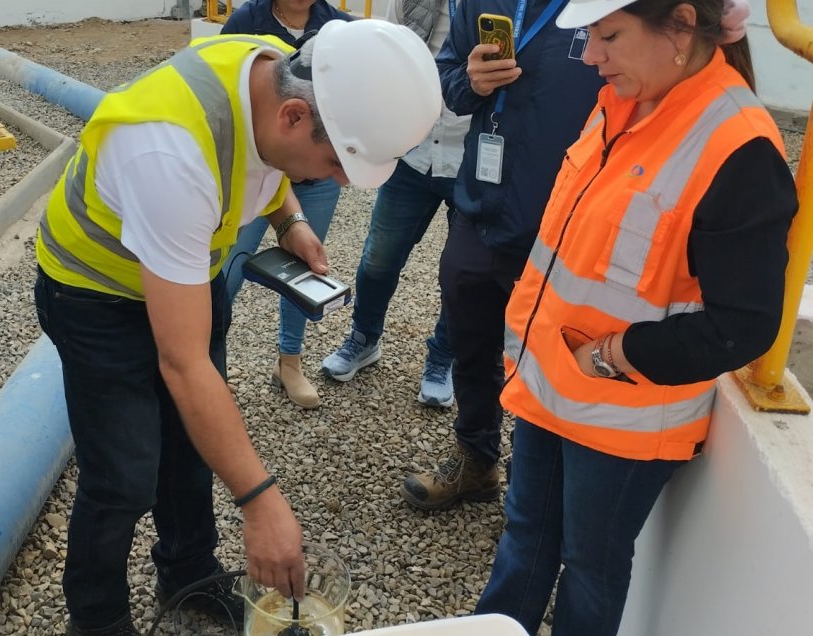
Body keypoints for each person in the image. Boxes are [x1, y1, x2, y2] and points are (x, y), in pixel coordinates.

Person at [33, 19, 441, 635]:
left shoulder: (275, 70)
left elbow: (262, 157)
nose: (335, 179)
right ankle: (97, 617)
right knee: (123, 474)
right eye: (333, 161)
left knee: (193, 442)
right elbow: (183, 363)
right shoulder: (166, 151)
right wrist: (261, 502)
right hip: (95, 293)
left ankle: (187, 573)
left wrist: (289, 220)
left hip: (186, 270)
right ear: (295, 117)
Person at [474, 0, 797, 632]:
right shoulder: (624, 99)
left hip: (623, 418)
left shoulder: (739, 148)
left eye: (609, 36)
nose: (591, 56)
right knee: (524, 538)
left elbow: (744, 324)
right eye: (591, 36)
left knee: (589, 568)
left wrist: (613, 356)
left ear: (679, 26)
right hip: (549, 386)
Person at [401, 0, 605, 510]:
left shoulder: (602, 8)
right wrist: (468, 82)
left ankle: (536, 488)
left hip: (568, 221)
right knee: (472, 341)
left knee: (553, 358)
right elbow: (447, 77)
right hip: (482, 207)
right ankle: (476, 460)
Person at [320, 0, 470, 409]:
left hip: (473, 156)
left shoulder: (506, 7)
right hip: (413, 148)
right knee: (379, 258)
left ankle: (443, 357)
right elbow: (388, 58)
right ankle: (364, 339)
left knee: (462, 274)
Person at [220, 0, 352, 409]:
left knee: (304, 271)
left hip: (314, 180)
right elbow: (231, 102)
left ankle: (289, 363)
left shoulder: (340, 29)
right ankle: (210, 366)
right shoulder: (247, 21)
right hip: (253, 173)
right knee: (225, 270)